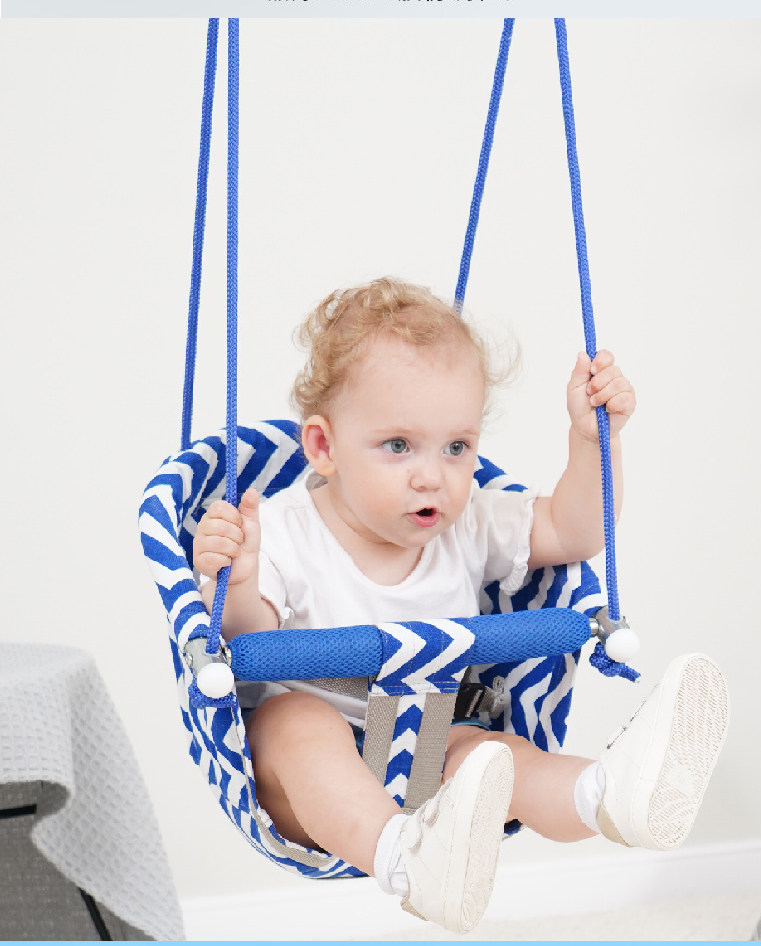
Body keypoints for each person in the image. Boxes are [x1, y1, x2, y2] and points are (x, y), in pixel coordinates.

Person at [193, 277, 729, 934]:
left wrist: (595, 441)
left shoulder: (470, 520)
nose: (433, 476)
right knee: (294, 719)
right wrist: (236, 578)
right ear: (324, 448)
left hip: (425, 747)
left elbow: (574, 532)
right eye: (398, 446)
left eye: (457, 447)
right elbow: (244, 638)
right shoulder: (285, 530)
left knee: (495, 758)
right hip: (304, 787)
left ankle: (609, 795)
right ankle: (405, 860)